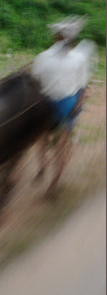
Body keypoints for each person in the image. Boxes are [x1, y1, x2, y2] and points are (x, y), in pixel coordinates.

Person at [30, 16, 95, 196]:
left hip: (67, 103)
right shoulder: (43, 57)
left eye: (66, 37)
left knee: (60, 143)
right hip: (47, 103)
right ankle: (43, 168)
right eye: (61, 36)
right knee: (44, 138)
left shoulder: (78, 59)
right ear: (56, 37)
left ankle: (54, 182)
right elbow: (35, 82)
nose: (63, 39)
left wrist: (77, 105)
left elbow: (83, 85)